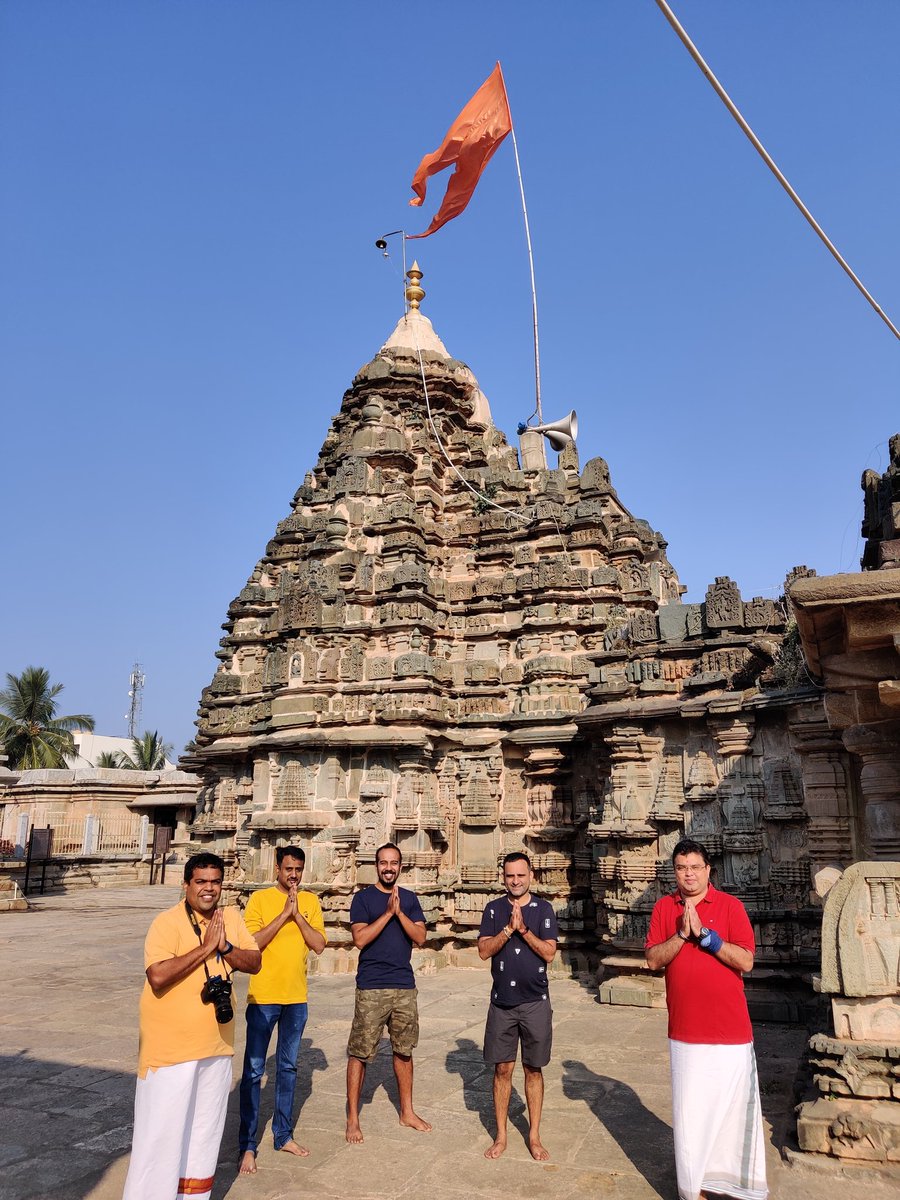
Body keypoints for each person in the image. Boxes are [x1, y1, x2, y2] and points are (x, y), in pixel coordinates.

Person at [123, 852, 261, 1200]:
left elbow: (254, 960)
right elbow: (157, 976)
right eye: (201, 882)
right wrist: (204, 949)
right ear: (186, 885)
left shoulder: (230, 917)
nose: (209, 889)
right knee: (161, 1136)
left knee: (203, 1134)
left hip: (215, 1047)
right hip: (169, 1053)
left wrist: (225, 946)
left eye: (215, 882)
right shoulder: (166, 922)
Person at [645, 838, 768, 1200]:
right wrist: (683, 934)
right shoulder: (665, 908)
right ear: (675, 871)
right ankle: (693, 1188)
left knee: (734, 1112)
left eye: (695, 867)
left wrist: (707, 938)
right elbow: (653, 960)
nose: (689, 874)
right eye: (682, 868)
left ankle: (734, 1184)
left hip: (731, 1030)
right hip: (685, 1030)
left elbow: (745, 961)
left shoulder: (730, 907)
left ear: (708, 870)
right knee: (689, 1115)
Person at [237, 845, 326, 1175]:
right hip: (262, 998)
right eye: (288, 868)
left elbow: (318, 944)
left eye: (298, 869)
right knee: (254, 1072)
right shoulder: (260, 900)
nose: (293, 875)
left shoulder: (311, 901)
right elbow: (252, 943)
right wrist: (284, 915)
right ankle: (247, 1145)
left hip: (296, 999)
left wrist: (298, 914)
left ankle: (283, 1135)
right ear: (277, 868)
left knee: (287, 1068)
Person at [345, 842, 432, 1143]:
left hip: (404, 985)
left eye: (394, 863)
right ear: (376, 865)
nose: (389, 868)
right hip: (371, 985)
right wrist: (387, 914)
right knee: (360, 1053)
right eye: (384, 863)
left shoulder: (409, 899)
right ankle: (353, 1118)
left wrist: (400, 913)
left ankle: (407, 1111)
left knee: (404, 1050)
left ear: (401, 866)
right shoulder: (363, 899)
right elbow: (360, 939)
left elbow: (420, 936)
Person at [477, 851, 558, 1161]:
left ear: (530, 876)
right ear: (503, 878)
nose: (515, 880)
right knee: (502, 1069)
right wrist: (508, 929)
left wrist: (523, 930)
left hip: (535, 1002)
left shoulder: (543, 910)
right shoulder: (494, 909)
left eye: (521, 875)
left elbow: (549, 953)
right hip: (502, 1003)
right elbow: (484, 951)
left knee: (533, 1069)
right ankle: (501, 1135)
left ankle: (534, 1136)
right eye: (510, 875)